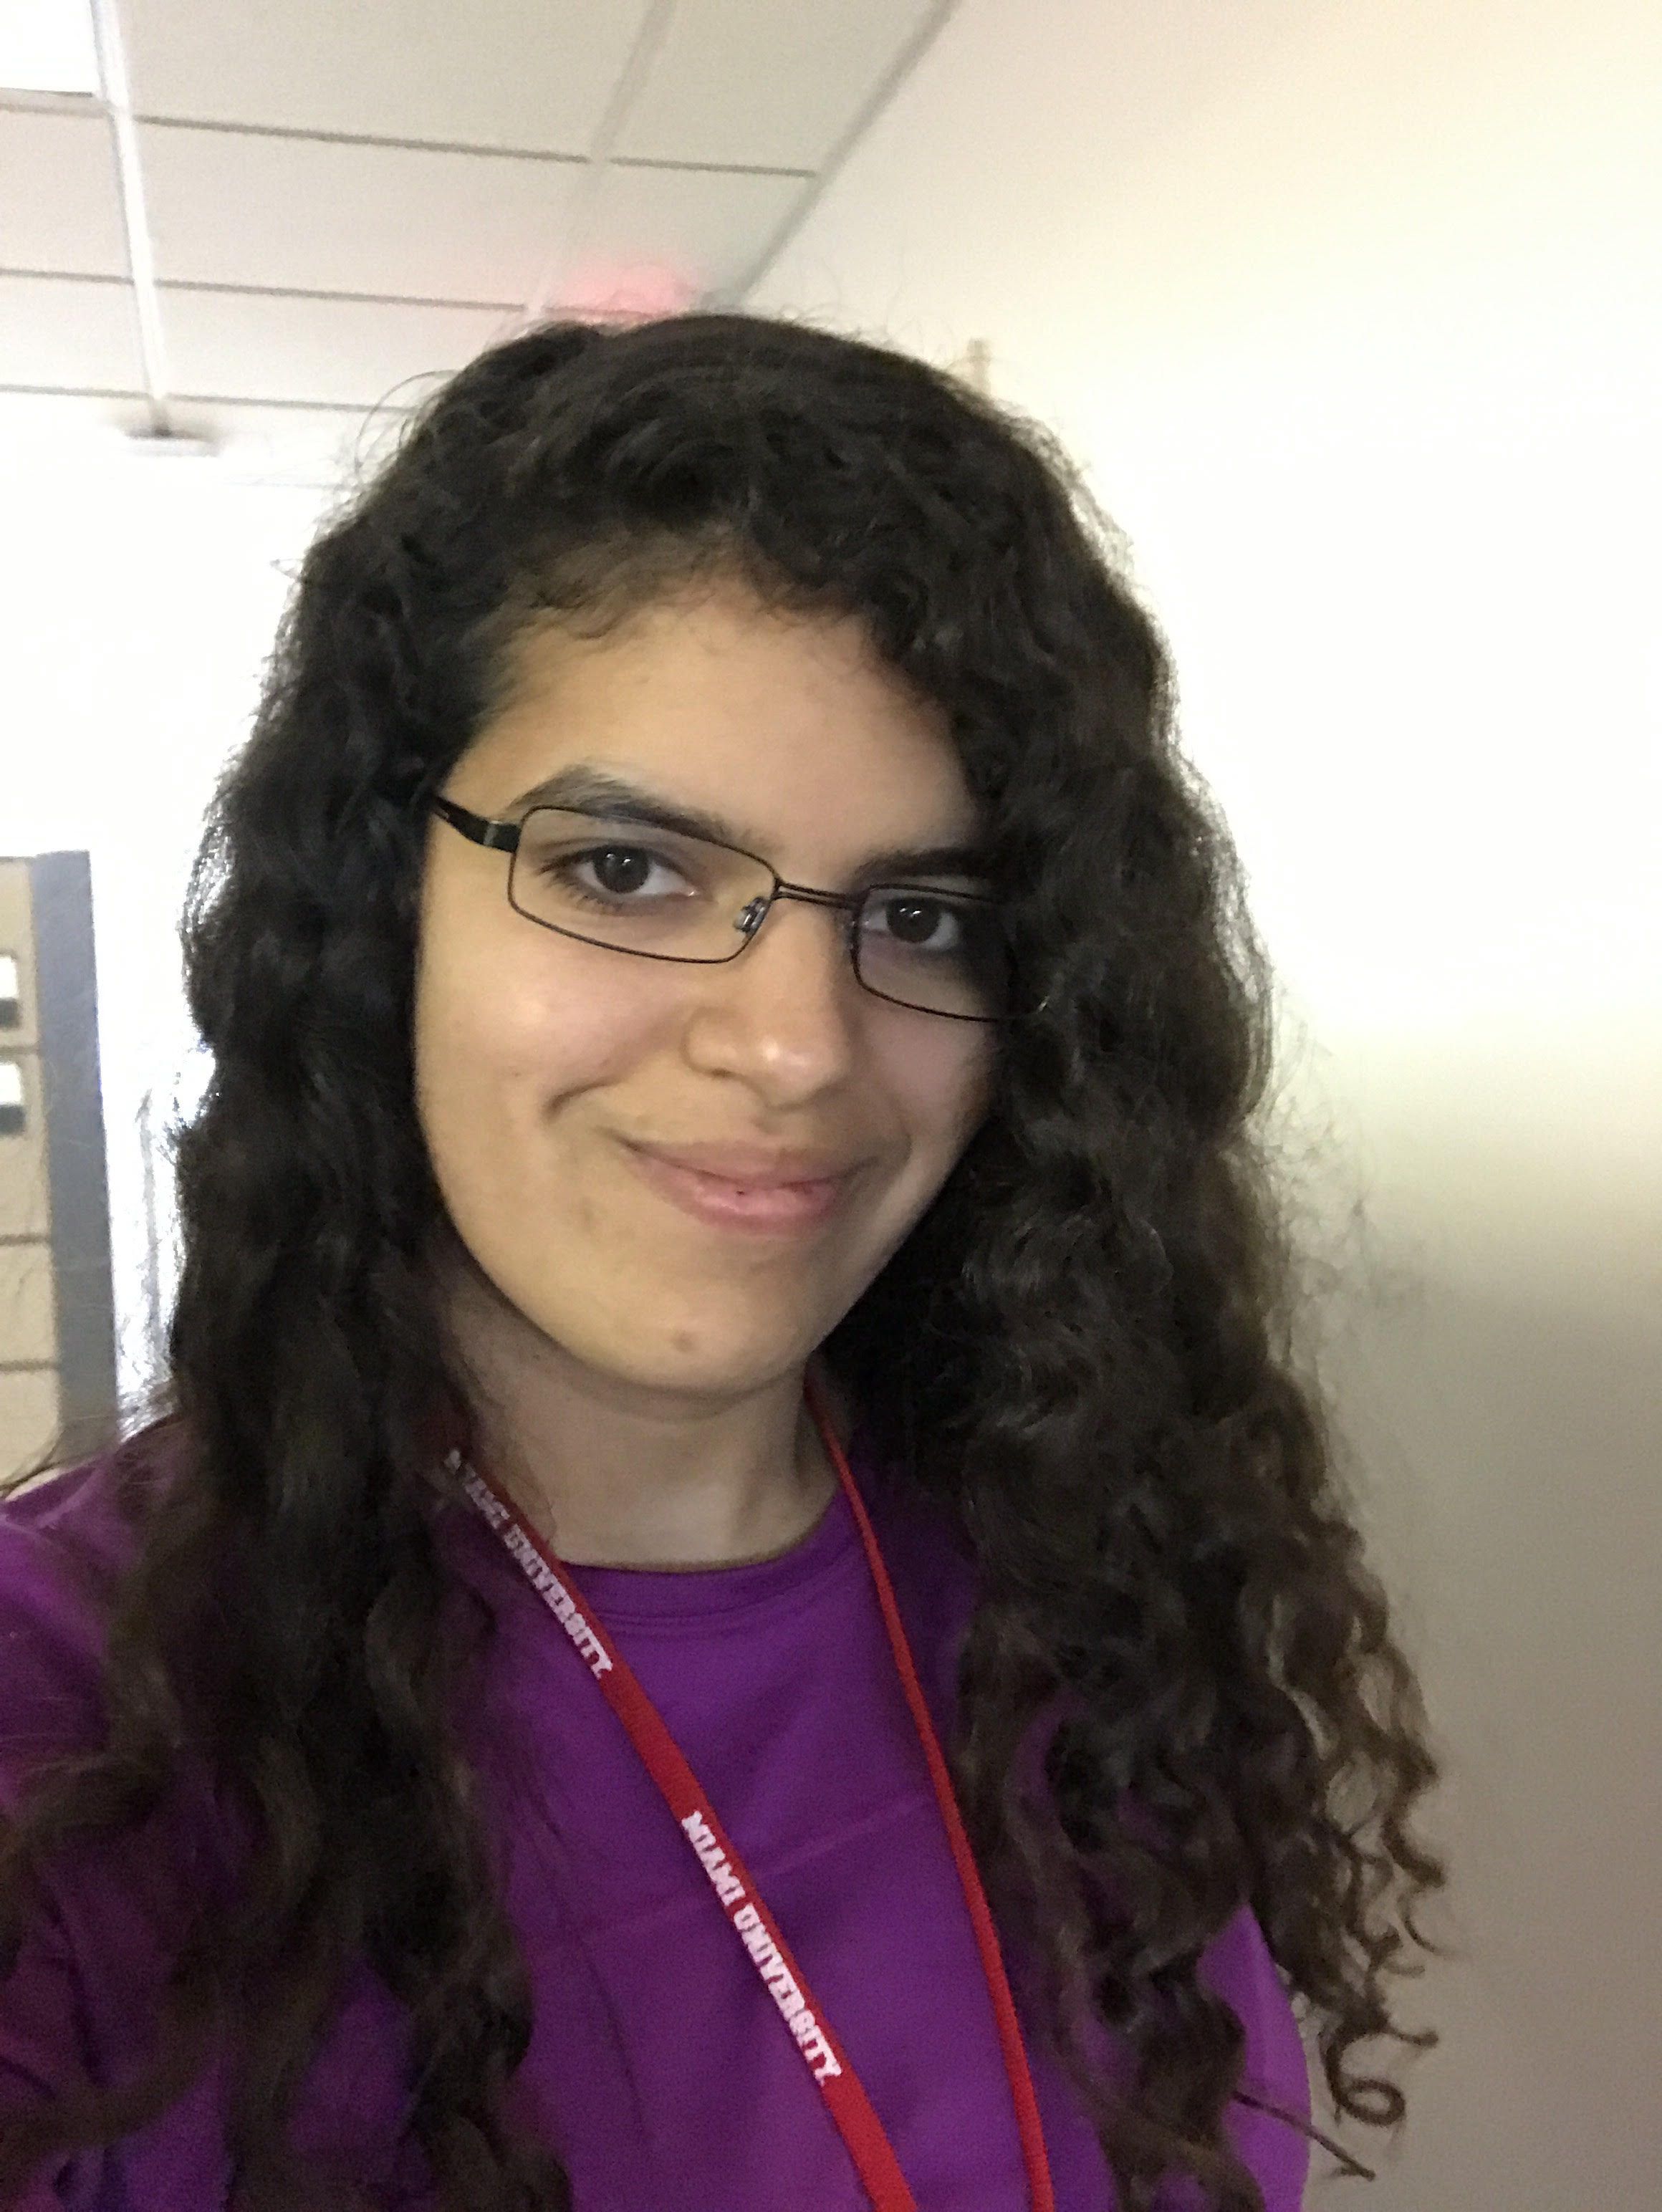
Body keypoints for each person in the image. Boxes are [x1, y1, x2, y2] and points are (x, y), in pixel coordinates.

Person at [0, 313, 1447, 2212]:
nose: (797, 1046)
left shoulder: (1096, 1609)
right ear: (377, 903)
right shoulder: (67, 1736)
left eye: (922, 916)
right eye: (627, 872)